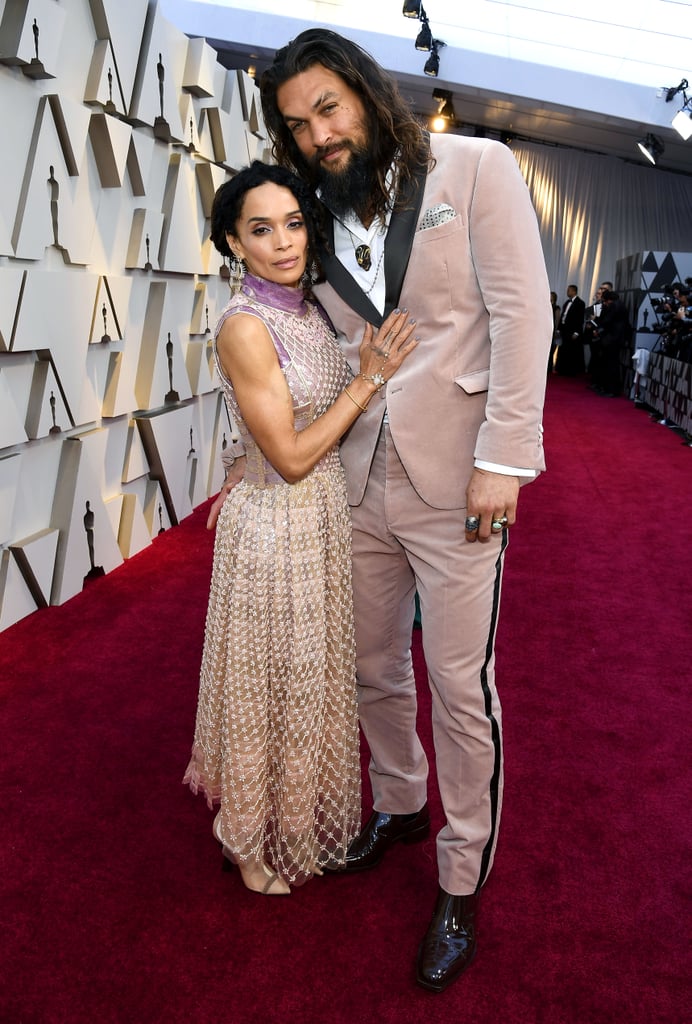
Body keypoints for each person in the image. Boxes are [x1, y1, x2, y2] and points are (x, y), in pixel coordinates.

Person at [260, 29, 551, 989]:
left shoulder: (476, 167)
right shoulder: (312, 209)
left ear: (367, 94)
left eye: (329, 110)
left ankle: (461, 881)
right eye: (299, 126)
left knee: (461, 687)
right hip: (359, 476)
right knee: (373, 664)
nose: (318, 135)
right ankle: (402, 803)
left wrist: (504, 459)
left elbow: (521, 313)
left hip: (462, 474)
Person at [183, 161, 417, 896]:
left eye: (292, 222)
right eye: (261, 229)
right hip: (275, 527)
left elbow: (262, 431)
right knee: (265, 686)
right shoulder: (248, 326)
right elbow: (287, 456)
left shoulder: (306, 306)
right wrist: (367, 380)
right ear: (232, 242)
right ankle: (245, 841)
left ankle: (289, 823)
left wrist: (233, 464)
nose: (283, 242)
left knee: (308, 681)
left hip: (318, 520)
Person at [555, 284, 585, 376]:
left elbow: (580, 319)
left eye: (569, 290)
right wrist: (559, 329)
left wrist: (577, 332)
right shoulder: (566, 302)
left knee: (571, 352)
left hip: (572, 331)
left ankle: (570, 371)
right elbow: (563, 316)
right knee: (563, 350)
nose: (567, 292)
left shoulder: (580, 303)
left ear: (574, 291)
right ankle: (561, 369)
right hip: (564, 330)